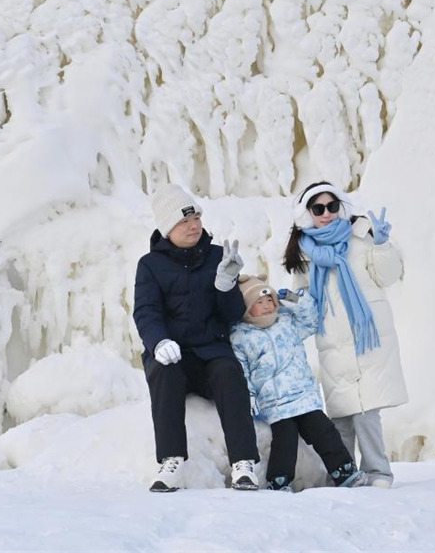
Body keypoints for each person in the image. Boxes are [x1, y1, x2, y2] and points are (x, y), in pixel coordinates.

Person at [133, 184, 260, 492]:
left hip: (211, 353)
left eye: (196, 218)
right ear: (167, 228)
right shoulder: (149, 265)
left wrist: (226, 285)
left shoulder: (218, 257)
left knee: (229, 372)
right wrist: (158, 342)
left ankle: (244, 464)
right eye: (184, 221)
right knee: (164, 371)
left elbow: (232, 314)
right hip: (172, 353)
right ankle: (171, 461)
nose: (193, 226)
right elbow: (146, 311)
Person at [283, 181, 408, 488]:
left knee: (367, 411)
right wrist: (293, 301)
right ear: (307, 214)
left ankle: (378, 472)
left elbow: (388, 276)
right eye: (318, 208)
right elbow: (308, 301)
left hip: (368, 335)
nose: (326, 214)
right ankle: (343, 473)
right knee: (340, 414)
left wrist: (382, 246)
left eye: (332, 206)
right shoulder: (304, 252)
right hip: (333, 341)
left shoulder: (361, 237)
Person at [230, 275, 370, 492]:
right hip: (274, 402)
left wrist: (295, 299)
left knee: (324, 432)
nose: (267, 306)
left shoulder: (287, 322)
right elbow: (242, 371)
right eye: (259, 302)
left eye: (270, 300)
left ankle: (344, 471)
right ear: (247, 309)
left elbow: (311, 319)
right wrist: (249, 397)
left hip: (303, 395)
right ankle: (279, 481)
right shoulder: (241, 336)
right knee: (284, 441)